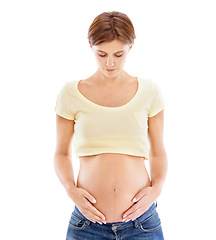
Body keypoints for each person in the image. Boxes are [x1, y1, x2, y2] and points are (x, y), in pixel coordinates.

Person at [54, 11, 168, 240]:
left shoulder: (150, 91)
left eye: (118, 54)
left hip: (141, 223)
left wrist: (156, 189)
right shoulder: (70, 94)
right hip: (87, 224)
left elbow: (158, 151)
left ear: (131, 47)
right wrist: (70, 190)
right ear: (90, 46)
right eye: (101, 54)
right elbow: (61, 153)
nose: (109, 63)